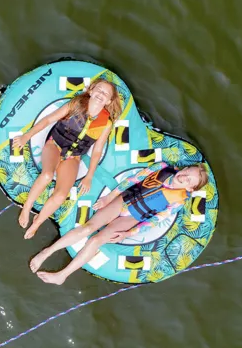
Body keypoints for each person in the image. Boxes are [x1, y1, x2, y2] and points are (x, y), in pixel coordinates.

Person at [29, 161, 209, 285]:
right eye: (186, 172)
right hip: (124, 201)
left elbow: (156, 220)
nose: (184, 177)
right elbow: (133, 180)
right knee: (89, 227)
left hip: (132, 217)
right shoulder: (162, 168)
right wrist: (109, 197)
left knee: (96, 240)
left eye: (189, 180)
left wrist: (128, 234)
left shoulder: (179, 201)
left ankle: (62, 275)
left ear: (190, 189)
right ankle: (47, 252)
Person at [12, 79, 122, 239]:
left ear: (109, 101)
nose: (100, 94)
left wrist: (89, 176)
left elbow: (97, 150)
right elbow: (49, 120)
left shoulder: (106, 124)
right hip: (55, 145)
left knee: (61, 195)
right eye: (98, 90)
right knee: (47, 175)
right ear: (91, 91)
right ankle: (27, 207)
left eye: (105, 94)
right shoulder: (76, 104)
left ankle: (38, 222)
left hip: (74, 157)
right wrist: (26, 137)